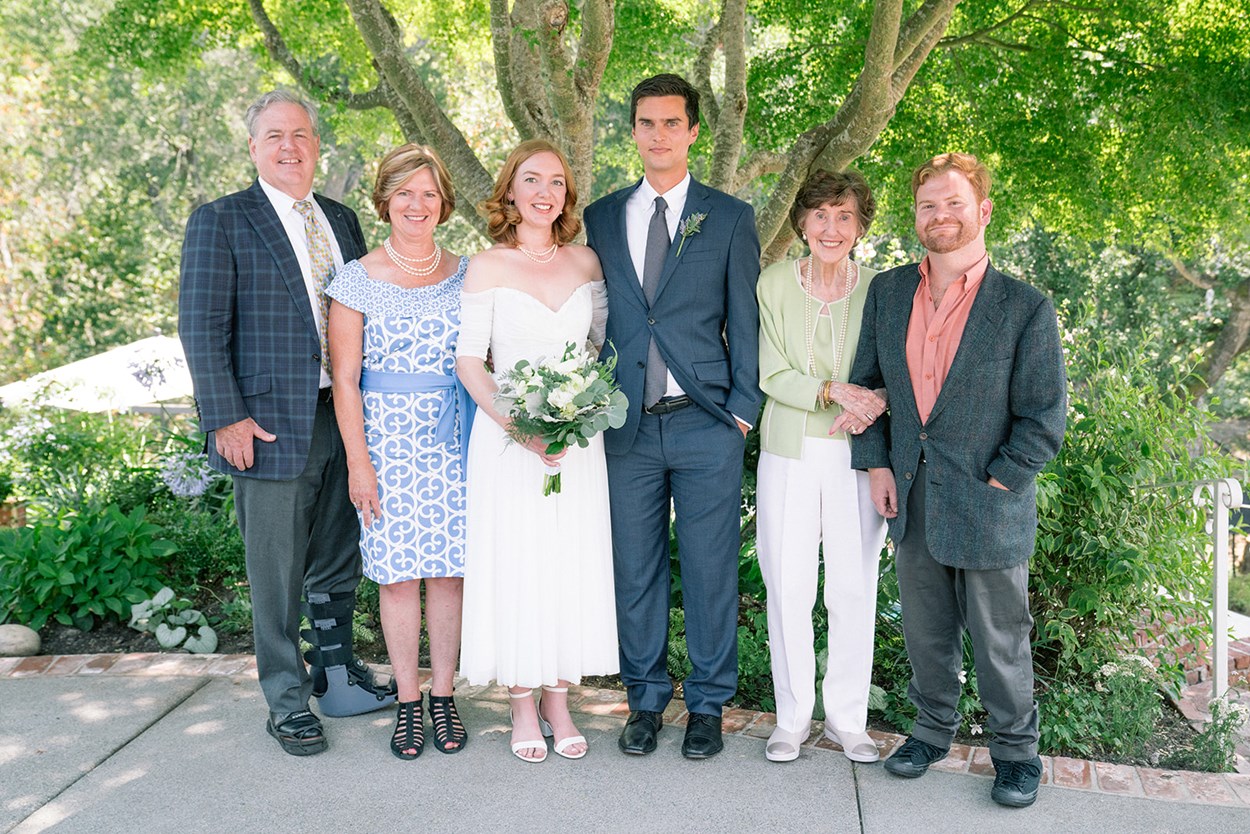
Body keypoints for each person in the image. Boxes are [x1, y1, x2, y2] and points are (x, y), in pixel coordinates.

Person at [840, 152, 1067, 806]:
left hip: (990, 504)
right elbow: (870, 387)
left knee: (1001, 641)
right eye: (928, 206)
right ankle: (931, 731)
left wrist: (1002, 480)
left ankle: (1017, 754)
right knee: (925, 631)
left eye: (954, 203)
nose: (940, 216)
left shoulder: (1025, 307)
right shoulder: (887, 292)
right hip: (910, 494)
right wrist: (878, 463)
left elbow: (1044, 414)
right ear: (916, 217)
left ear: (983, 210)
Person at [178, 89, 395, 757]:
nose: (289, 147)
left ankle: (336, 673)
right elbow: (201, 327)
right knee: (275, 570)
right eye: (274, 136)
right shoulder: (222, 220)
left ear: (316, 144)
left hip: (344, 415)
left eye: (300, 135)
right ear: (253, 148)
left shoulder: (341, 218)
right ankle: (286, 700)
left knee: (337, 557)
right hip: (267, 424)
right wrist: (226, 417)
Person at [583, 73, 762, 760]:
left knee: (712, 569)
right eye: (646, 123)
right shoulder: (601, 217)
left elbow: (743, 322)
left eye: (671, 123)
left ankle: (710, 705)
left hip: (705, 421)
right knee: (636, 569)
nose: (658, 135)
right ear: (632, 131)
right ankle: (645, 700)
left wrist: (742, 412)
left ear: (692, 132)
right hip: (625, 427)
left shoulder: (729, 217)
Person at [455, 139, 619, 763]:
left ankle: (559, 697)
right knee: (519, 561)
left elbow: (600, 350)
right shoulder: (486, 265)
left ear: (566, 195)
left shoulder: (586, 263)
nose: (544, 191)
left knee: (567, 561)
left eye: (555, 181)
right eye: (531, 179)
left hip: (577, 443)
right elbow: (470, 360)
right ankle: (522, 702)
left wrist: (579, 412)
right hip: (507, 441)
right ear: (511, 191)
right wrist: (520, 428)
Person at [326, 144, 471, 759]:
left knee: (449, 572)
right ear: (385, 199)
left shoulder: (468, 271)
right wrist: (360, 463)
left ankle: (444, 696)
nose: (418, 204)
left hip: (456, 440)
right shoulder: (357, 278)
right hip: (386, 445)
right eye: (406, 193)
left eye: (430, 193)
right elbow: (346, 380)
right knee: (397, 576)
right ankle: (407, 702)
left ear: (444, 203)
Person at [755, 169, 888, 763]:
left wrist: (873, 401)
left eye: (844, 216)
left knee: (852, 587)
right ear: (802, 223)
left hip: (858, 455)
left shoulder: (882, 289)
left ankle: (847, 720)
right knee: (788, 585)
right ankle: (791, 719)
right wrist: (836, 390)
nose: (831, 228)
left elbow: (893, 371)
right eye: (820, 216)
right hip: (790, 450)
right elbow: (771, 374)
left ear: (860, 227)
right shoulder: (774, 283)